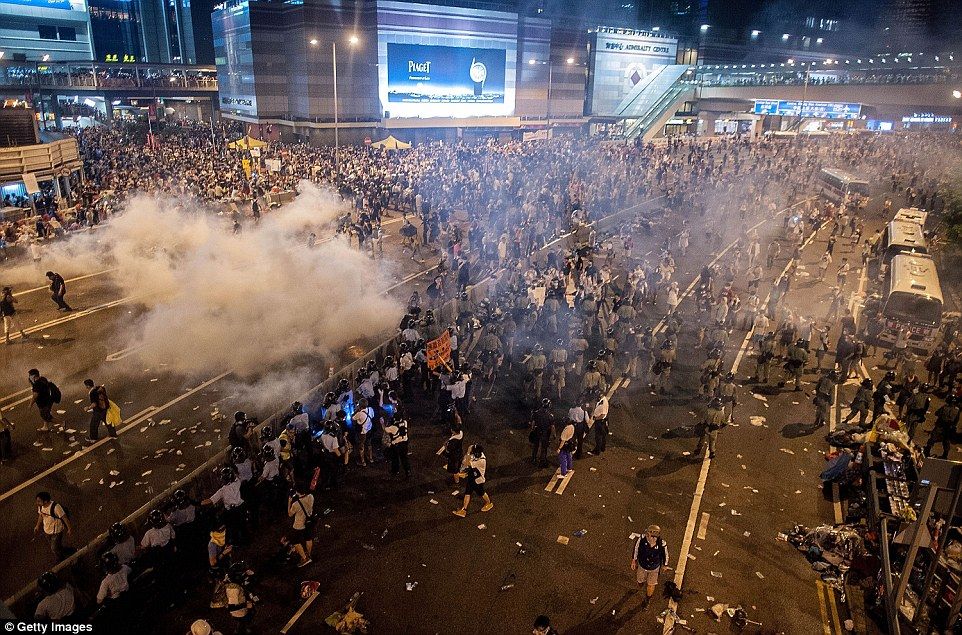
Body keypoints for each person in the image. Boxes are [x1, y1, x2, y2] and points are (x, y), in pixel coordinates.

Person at [631, 524, 669, 605]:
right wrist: (634, 560)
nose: (647, 536)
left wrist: (665, 565)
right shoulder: (642, 539)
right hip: (642, 565)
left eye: (649, 534)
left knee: (651, 585)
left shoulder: (661, 543)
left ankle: (647, 599)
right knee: (640, 581)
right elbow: (636, 548)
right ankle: (641, 585)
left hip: (654, 568)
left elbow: (665, 555)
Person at [453, 443, 493, 517]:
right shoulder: (477, 455)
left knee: (481, 492)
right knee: (468, 492)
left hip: (478, 480)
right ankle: (464, 510)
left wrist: (468, 452)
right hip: (472, 477)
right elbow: (465, 461)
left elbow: (466, 462)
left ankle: (489, 503)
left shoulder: (481, 460)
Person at [34, 491, 72, 562]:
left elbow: (64, 517)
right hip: (47, 531)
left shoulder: (56, 507)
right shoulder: (41, 507)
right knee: (57, 546)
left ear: (45, 501)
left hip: (56, 532)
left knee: (54, 548)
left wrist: (69, 528)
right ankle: (70, 550)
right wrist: (37, 526)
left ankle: (61, 558)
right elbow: (41, 516)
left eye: (39, 501)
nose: (37, 503)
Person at [288, 486, 314, 567]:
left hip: (299, 525)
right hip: (308, 522)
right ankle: (308, 554)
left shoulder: (296, 504)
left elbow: (290, 514)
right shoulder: (310, 496)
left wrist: (289, 502)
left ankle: (305, 558)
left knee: (295, 541)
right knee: (308, 538)